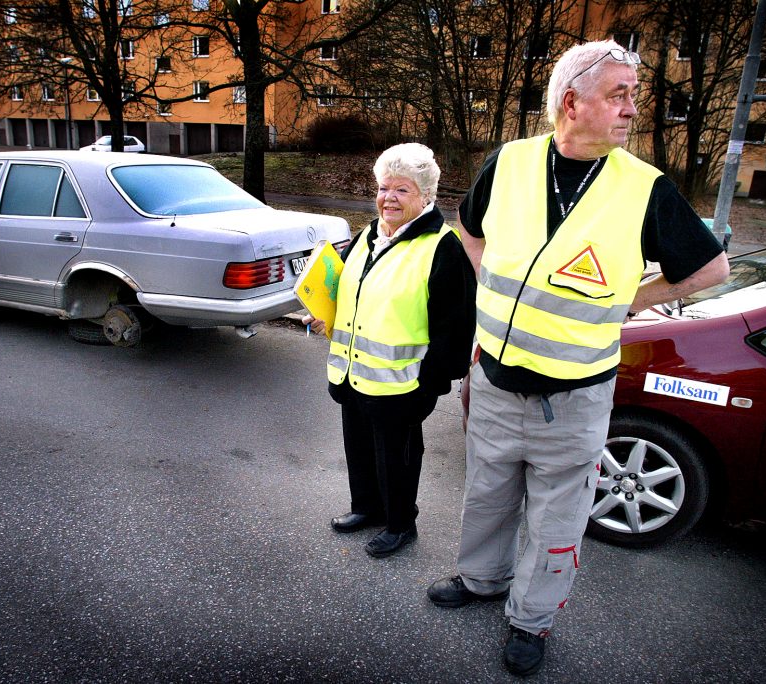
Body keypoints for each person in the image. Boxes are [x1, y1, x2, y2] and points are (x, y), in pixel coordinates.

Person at [426, 40, 730, 676]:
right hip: (495, 382)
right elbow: (469, 225)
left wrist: (633, 301)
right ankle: (481, 581)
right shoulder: (508, 162)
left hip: (575, 396)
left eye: (632, 97)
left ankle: (531, 620)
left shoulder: (644, 188)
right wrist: (489, 287)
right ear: (572, 102)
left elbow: (711, 268)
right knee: (486, 495)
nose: (631, 109)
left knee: (558, 515)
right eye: (619, 95)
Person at [304, 143, 476, 559]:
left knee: (397, 458)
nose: (389, 198)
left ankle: (400, 525)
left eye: (402, 190)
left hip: (403, 384)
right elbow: (352, 291)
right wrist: (324, 314)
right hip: (352, 372)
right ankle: (366, 507)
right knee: (358, 446)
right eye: (384, 188)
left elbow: (455, 330)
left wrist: (428, 386)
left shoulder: (442, 247)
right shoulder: (367, 235)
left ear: (425, 196)